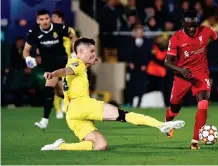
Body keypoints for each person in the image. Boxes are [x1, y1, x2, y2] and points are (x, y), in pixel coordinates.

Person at [41, 37, 185, 151]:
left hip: (72, 114)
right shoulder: (76, 64)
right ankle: (160, 125)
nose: (94, 54)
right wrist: (53, 74)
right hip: (82, 104)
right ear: (80, 53)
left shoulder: (76, 64)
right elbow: (65, 71)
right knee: (123, 115)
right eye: (91, 51)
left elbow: (69, 71)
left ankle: (60, 146)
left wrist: (88, 62)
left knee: (100, 145)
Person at [163, 11, 218, 149]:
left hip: (200, 74)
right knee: (175, 106)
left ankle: (195, 141)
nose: (192, 29)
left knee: (203, 103)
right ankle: (167, 122)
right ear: (183, 24)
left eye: (194, 25)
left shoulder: (205, 31)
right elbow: (167, 62)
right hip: (182, 75)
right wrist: (181, 70)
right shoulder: (176, 37)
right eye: (189, 26)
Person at [23, 9, 77, 130]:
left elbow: (74, 37)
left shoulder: (59, 27)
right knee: (59, 92)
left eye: (47, 18)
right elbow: (26, 51)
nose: (45, 21)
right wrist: (27, 59)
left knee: (51, 90)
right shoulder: (34, 32)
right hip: (49, 66)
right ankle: (76, 106)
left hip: (63, 64)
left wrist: (75, 52)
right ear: (38, 21)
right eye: (42, 19)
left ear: (49, 18)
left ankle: (44, 120)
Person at [51, 9, 77, 119]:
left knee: (64, 85)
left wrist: (74, 52)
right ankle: (58, 109)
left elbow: (74, 39)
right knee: (53, 86)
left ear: (60, 18)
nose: (52, 19)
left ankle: (63, 104)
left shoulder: (68, 30)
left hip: (66, 60)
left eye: (54, 17)